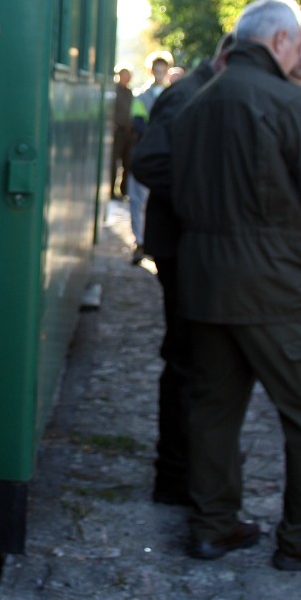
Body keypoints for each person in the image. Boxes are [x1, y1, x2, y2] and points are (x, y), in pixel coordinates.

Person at [169, 0, 301, 571]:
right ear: (280, 40)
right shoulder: (285, 102)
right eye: (299, 41)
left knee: (213, 409)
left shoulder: (197, 102)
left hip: (206, 283)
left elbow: (177, 188)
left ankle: (212, 526)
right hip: (277, 286)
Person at [134, 33, 234, 507]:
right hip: (181, 248)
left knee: (190, 361)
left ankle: (181, 470)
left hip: (189, 245)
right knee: (184, 362)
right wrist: (205, 200)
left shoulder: (202, 90)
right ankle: (174, 474)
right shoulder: (188, 94)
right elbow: (149, 161)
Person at [127, 52, 175, 263]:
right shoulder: (141, 97)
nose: (159, 74)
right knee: (138, 199)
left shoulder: (171, 95)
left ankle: (154, 242)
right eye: (157, 70)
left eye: (163, 70)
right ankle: (140, 241)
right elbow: (138, 123)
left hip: (163, 155)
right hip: (147, 151)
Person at [111, 67, 134, 199]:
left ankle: (124, 190)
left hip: (128, 131)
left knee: (127, 161)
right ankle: (112, 191)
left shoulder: (129, 92)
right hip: (118, 130)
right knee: (114, 161)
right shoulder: (115, 91)